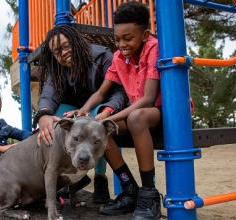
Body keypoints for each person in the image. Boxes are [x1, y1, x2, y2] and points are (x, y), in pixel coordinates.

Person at [75, 2, 162, 219]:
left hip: (160, 113)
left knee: (134, 117)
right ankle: (130, 190)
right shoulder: (118, 57)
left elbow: (148, 99)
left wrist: (110, 117)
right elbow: (101, 94)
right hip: (137, 115)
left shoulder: (154, 48)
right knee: (100, 130)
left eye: (128, 38)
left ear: (145, 34)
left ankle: (149, 194)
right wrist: (83, 111)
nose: (121, 44)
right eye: (117, 39)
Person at [33, 25, 127, 204]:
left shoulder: (102, 57)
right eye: (57, 51)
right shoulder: (57, 69)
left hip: (101, 108)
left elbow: (119, 91)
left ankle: (100, 178)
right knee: (56, 118)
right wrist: (43, 115)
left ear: (77, 42)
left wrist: (106, 111)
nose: (63, 53)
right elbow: (48, 96)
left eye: (66, 46)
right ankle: (69, 176)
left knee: (97, 127)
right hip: (73, 111)